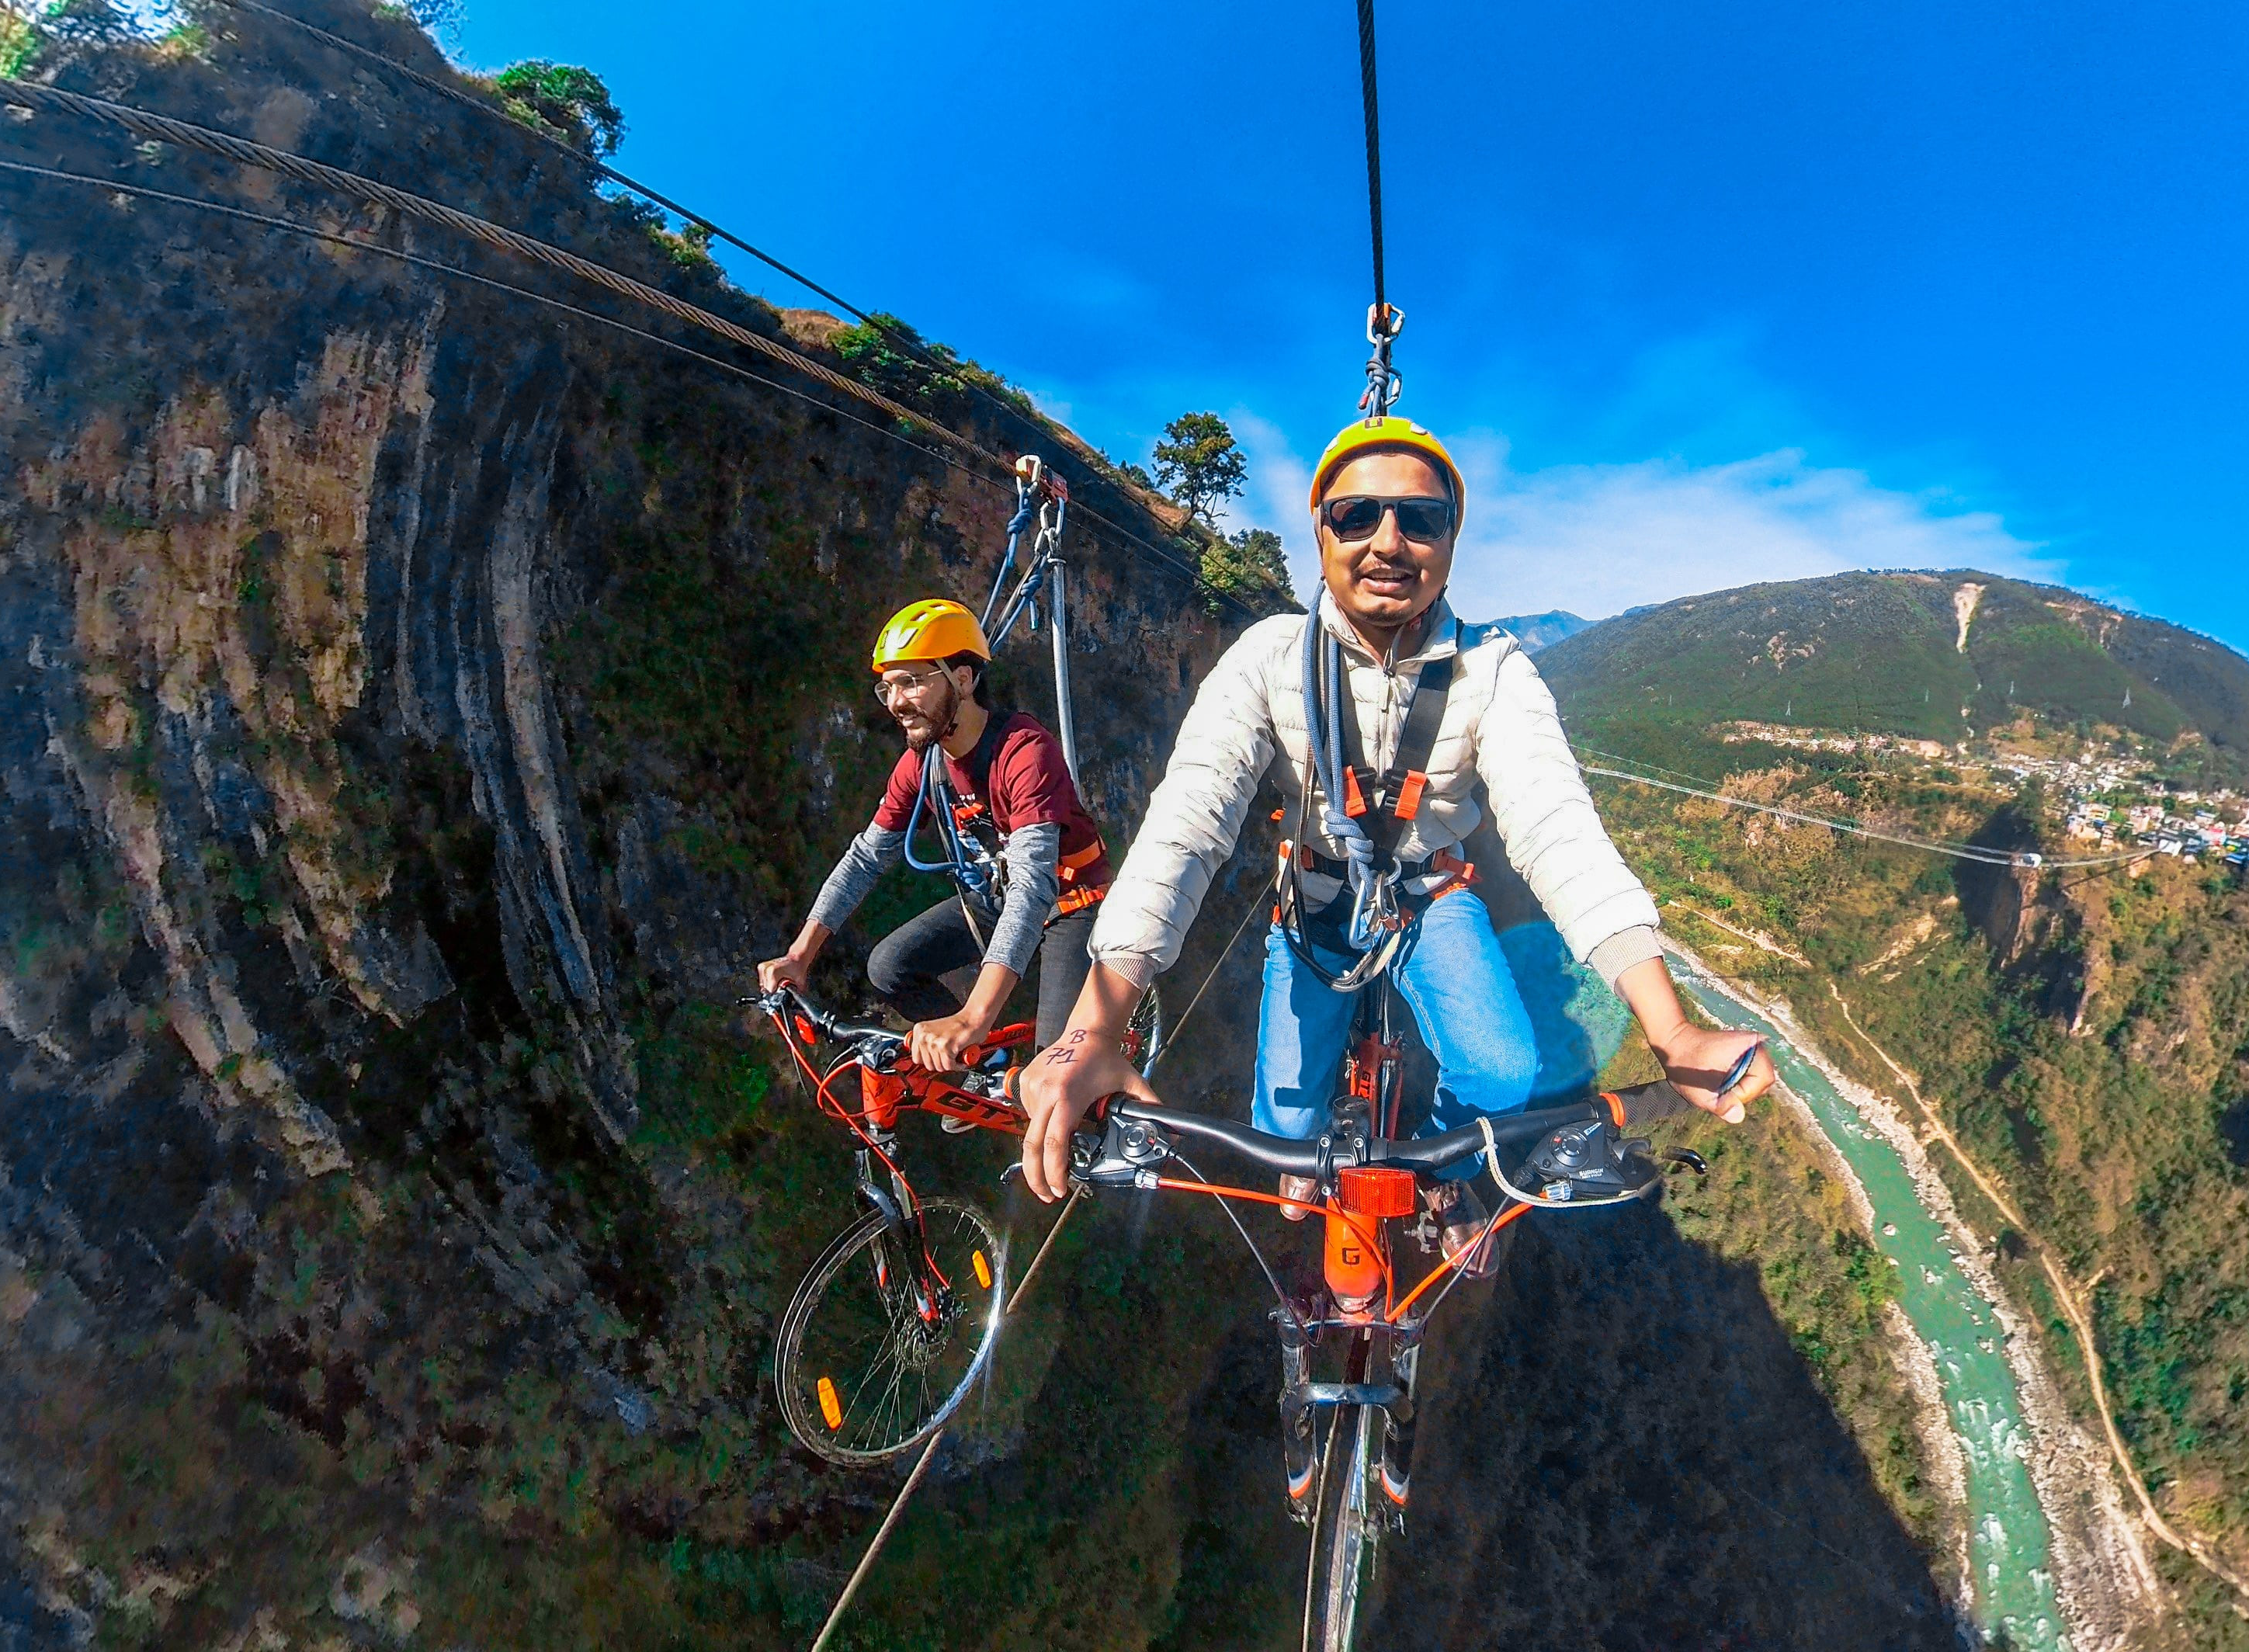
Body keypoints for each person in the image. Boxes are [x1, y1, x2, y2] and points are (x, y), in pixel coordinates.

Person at [1017, 415, 1776, 1262]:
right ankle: (1323, 1167)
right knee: (1290, 1125)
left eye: (1420, 520)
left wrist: (1672, 1030)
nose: (1388, 541)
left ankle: (1443, 1177)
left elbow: (1559, 832)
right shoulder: (1269, 659)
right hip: (1314, 905)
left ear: (1452, 540)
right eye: (1357, 515)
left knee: (1498, 1073)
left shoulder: (1493, 671)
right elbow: (1187, 826)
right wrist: (1094, 1028)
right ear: (1320, 529)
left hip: (1427, 897)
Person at [758, 599, 1112, 1081]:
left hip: (1071, 903)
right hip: (995, 897)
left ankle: (1083, 1134)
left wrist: (974, 1017)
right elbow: (866, 859)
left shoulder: (1024, 752)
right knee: (890, 967)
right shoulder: (923, 765)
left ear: (964, 680)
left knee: (1054, 1076)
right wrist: (799, 956)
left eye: (914, 681)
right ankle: (988, 1066)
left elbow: (1034, 889)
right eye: (889, 686)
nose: (897, 702)